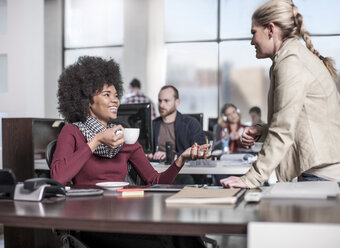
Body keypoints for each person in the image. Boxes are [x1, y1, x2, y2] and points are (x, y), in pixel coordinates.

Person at [51, 56, 209, 248]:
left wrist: (181, 160)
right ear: (87, 101)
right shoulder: (73, 132)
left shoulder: (125, 136)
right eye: (107, 94)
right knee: (168, 242)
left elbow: (156, 182)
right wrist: (97, 140)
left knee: (186, 233)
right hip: (92, 223)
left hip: (126, 217)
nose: (115, 100)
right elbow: (58, 177)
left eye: (116, 95)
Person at [221, 0, 340, 189]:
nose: (252, 41)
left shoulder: (290, 62)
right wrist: (262, 131)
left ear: (270, 29)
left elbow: (283, 130)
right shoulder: (291, 57)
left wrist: (250, 178)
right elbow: (298, 124)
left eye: (253, 33)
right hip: (320, 173)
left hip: (321, 175)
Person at [148, 85, 206, 184]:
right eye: (160, 100)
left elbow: (201, 148)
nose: (161, 105)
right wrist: (148, 154)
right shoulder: (152, 125)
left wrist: (173, 156)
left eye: (166, 101)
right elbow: (146, 149)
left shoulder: (190, 123)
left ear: (177, 102)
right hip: (157, 171)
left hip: (182, 171)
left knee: (185, 181)